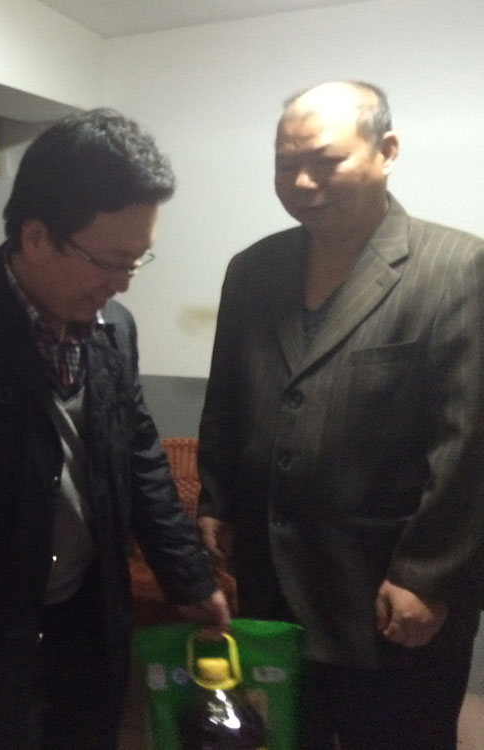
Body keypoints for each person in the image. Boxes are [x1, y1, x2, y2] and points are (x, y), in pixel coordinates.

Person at [0, 108, 230, 750]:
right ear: (36, 237)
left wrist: (189, 579)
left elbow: (139, 457)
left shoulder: (115, 330)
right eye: (110, 261)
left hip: (91, 621)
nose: (123, 283)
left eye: (137, 260)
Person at [197, 80, 484, 749]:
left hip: (386, 591)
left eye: (326, 161)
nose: (302, 182)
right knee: (283, 732)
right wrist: (216, 497)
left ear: (387, 151)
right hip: (271, 582)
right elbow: (229, 396)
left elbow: (468, 443)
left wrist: (428, 576)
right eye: (285, 164)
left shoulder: (458, 267)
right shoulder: (252, 270)